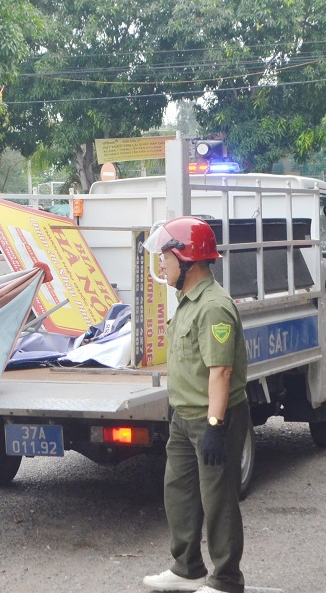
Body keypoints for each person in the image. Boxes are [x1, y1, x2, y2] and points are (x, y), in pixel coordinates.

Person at [141, 217, 249, 593]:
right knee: (180, 492)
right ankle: (187, 567)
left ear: (188, 259)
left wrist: (216, 426)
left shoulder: (214, 306)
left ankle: (226, 579)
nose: (162, 266)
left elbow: (220, 372)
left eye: (166, 258)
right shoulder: (186, 301)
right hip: (184, 417)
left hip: (212, 417)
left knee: (217, 499)